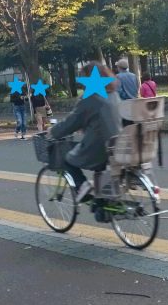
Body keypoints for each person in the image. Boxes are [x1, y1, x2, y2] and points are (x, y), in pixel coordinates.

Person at [49, 62, 122, 203]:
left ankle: (83, 187)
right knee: (100, 167)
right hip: (118, 144)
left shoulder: (89, 98)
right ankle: (103, 201)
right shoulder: (113, 94)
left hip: (98, 146)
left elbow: (70, 123)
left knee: (67, 160)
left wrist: (53, 131)